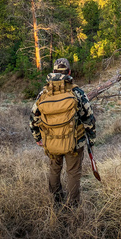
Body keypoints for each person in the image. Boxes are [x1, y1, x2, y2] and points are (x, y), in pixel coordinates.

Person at [29, 58, 96, 206]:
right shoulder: (77, 92)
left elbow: (33, 118)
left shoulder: (44, 93)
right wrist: (91, 139)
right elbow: (89, 118)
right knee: (73, 172)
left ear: (53, 72)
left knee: (54, 169)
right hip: (75, 142)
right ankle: (73, 205)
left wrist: (37, 138)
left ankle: (56, 200)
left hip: (51, 140)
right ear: (69, 72)